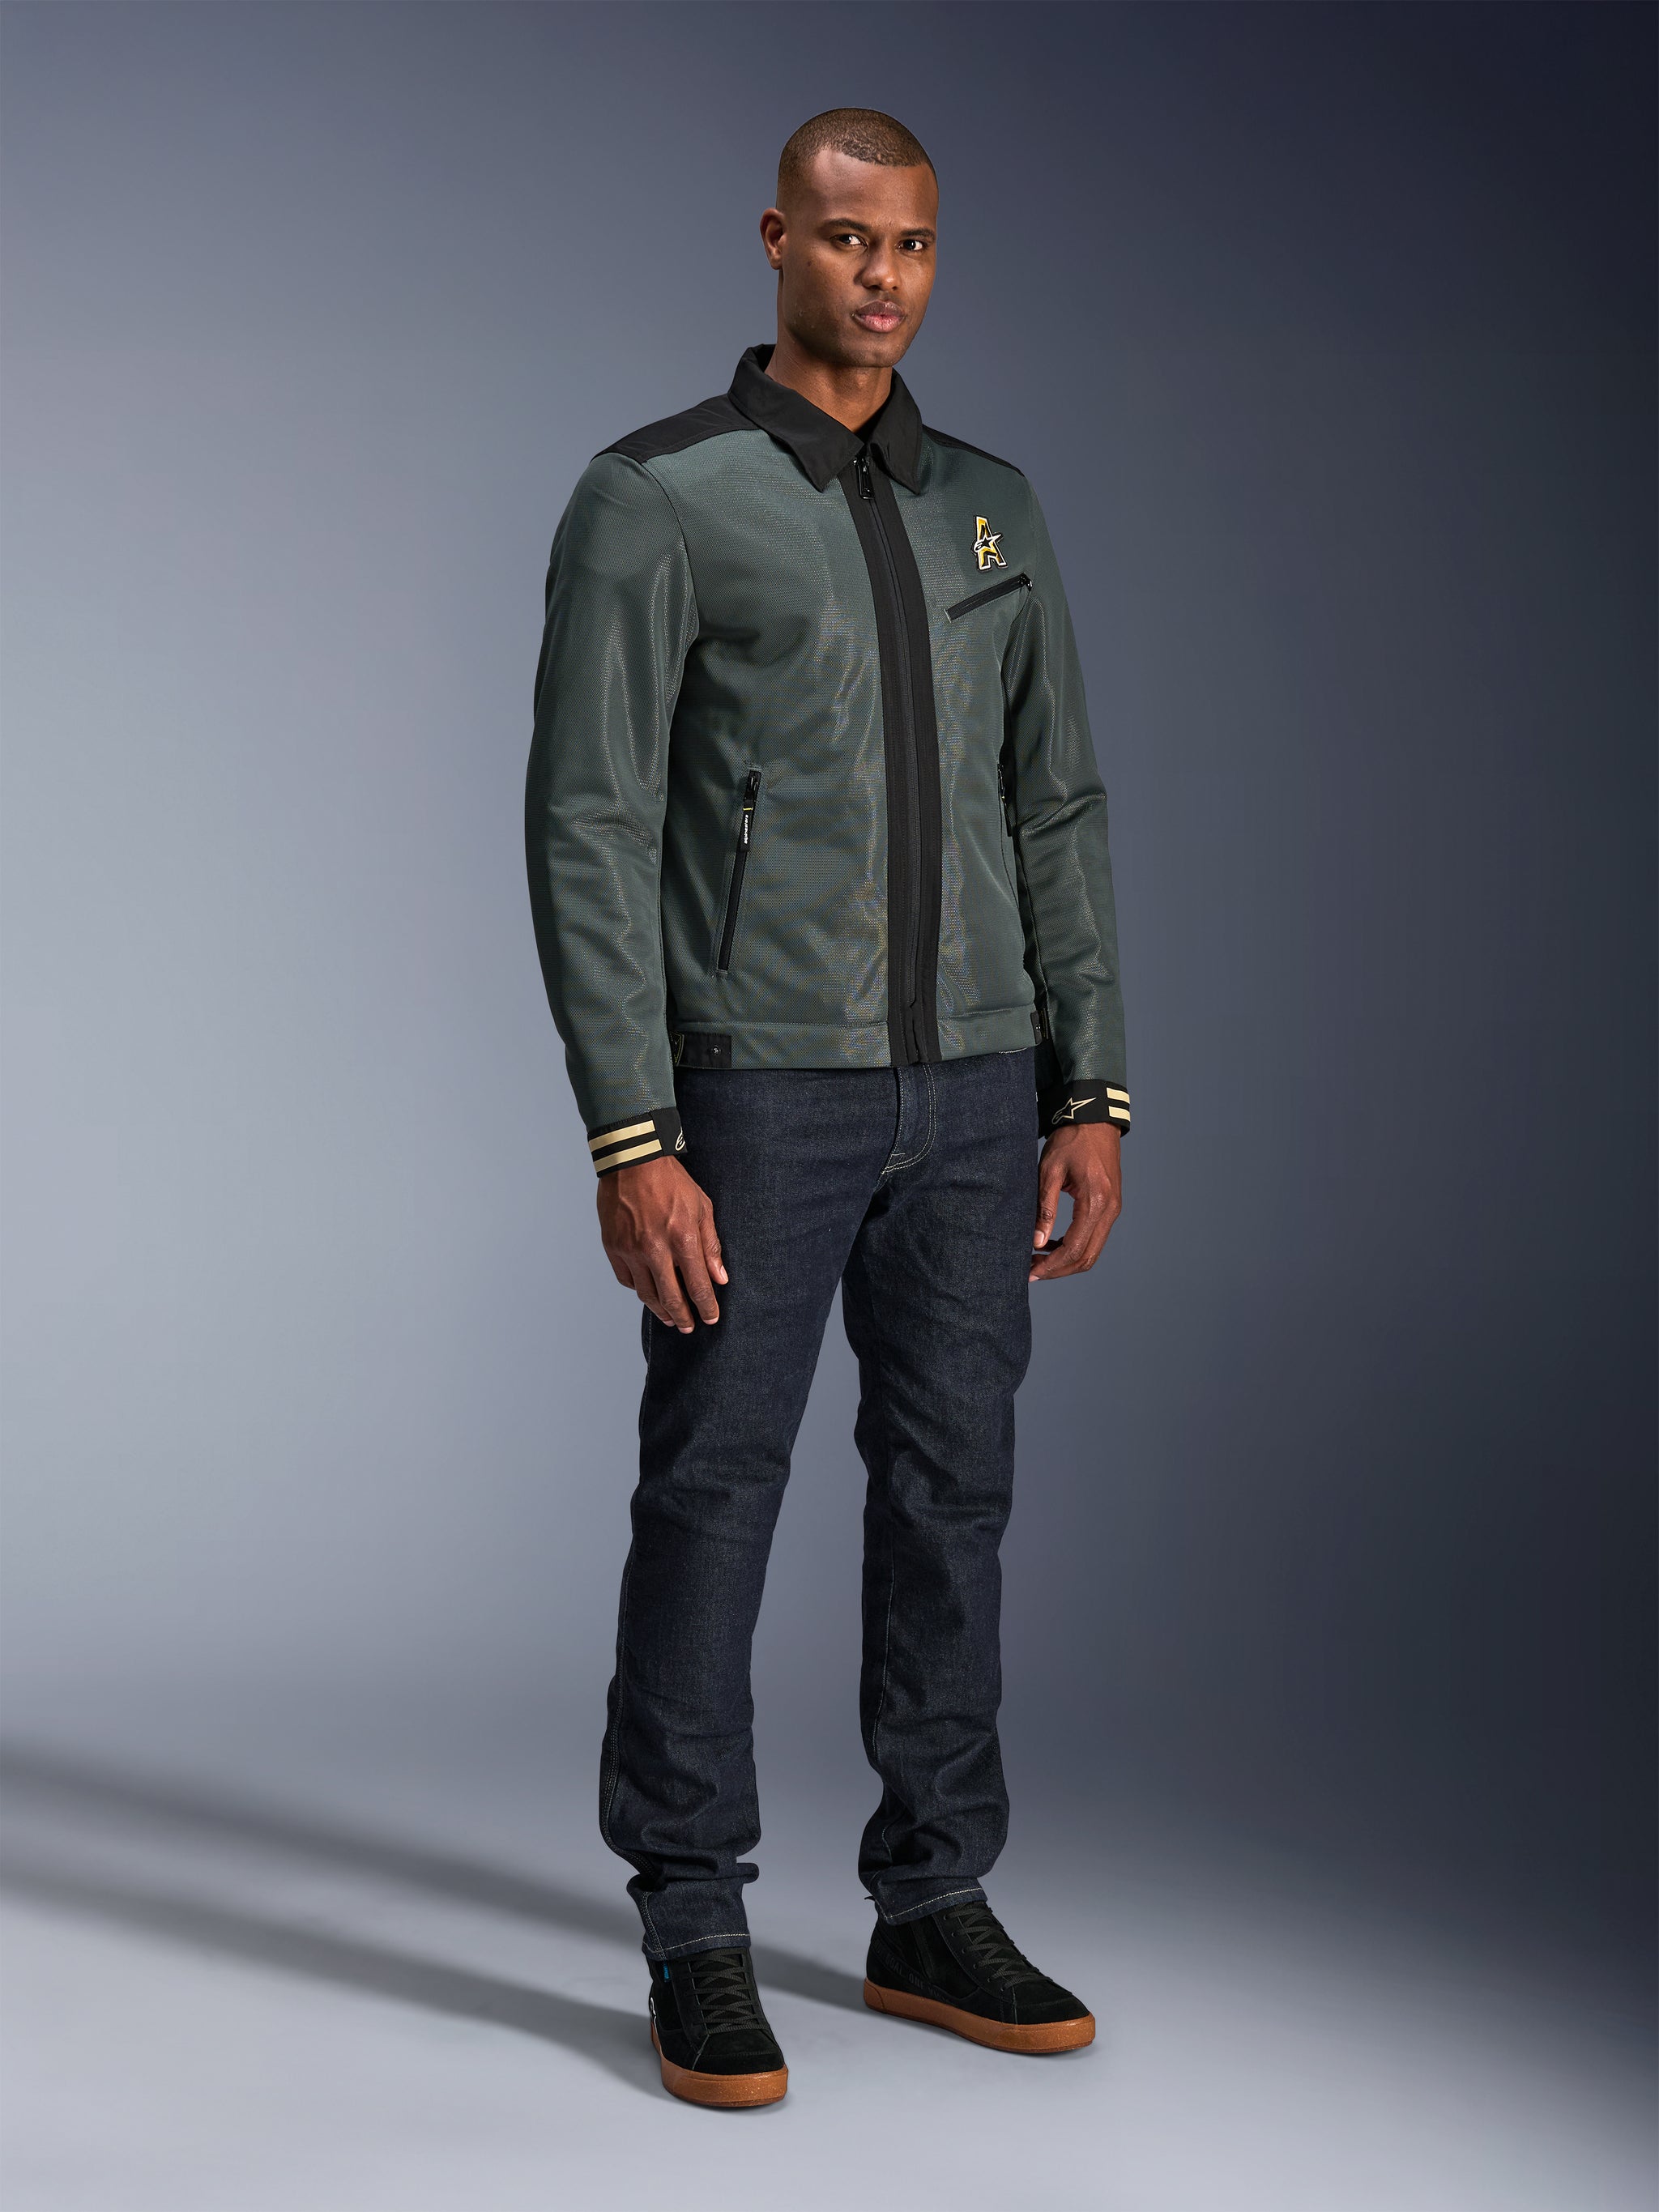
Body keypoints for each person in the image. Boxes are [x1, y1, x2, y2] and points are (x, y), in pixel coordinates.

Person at [525, 107, 1128, 2108]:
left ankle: (929, 1897)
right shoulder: (659, 496)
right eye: (852, 240)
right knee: (713, 1487)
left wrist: (1088, 1079)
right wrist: (632, 1131)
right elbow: (589, 821)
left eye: (916, 246)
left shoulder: (990, 509)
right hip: (755, 1090)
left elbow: (1055, 801)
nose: (885, 277)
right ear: (778, 239)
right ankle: (693, 1913)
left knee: (953, 1489)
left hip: (978, 1089)